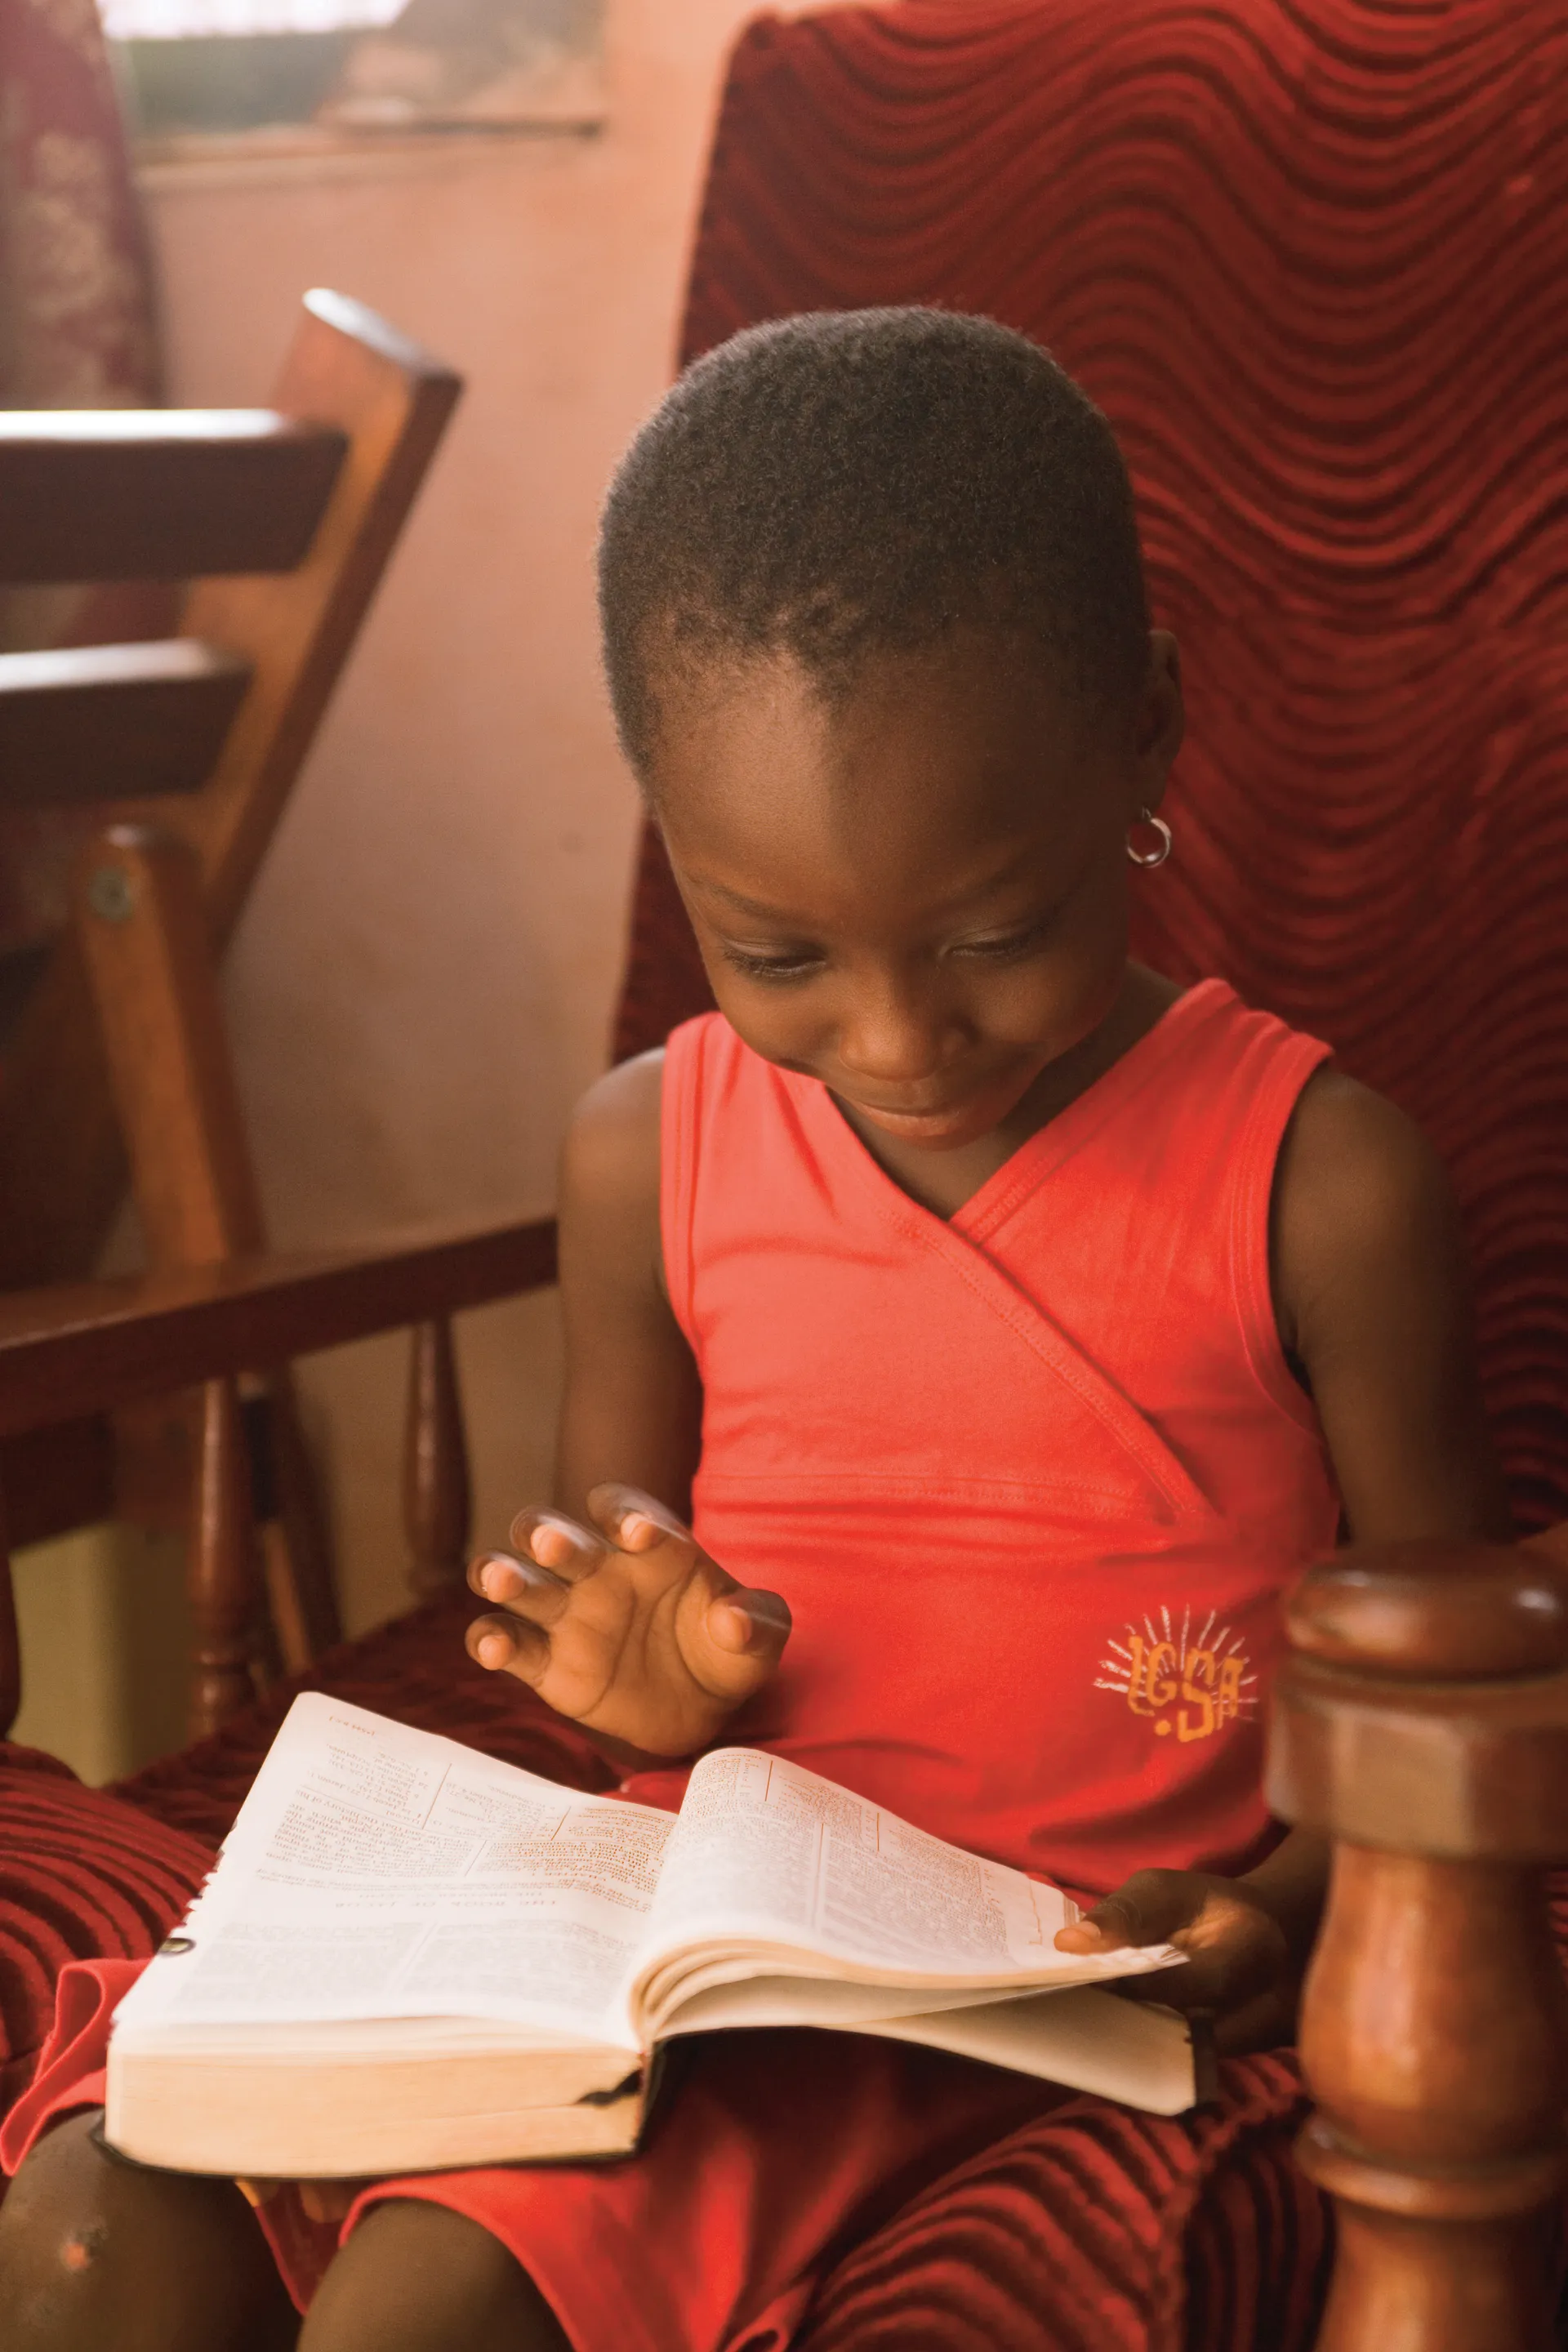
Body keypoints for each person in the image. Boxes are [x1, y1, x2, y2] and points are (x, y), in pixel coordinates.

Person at [0, 310, 1509, 2352]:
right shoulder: (649, 1151)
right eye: (776, 950)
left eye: (995, 933)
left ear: (1145, 730)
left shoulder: (1317, 1182)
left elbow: (1455, 1689)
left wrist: (1289, 1910)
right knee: (95, 2222)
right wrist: (637, 1675)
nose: (898, 1041)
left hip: (989, 1985)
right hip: (687, 1921)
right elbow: (624, 1635)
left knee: (417, 2309)